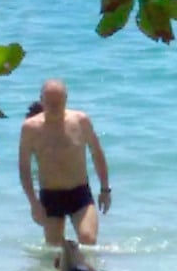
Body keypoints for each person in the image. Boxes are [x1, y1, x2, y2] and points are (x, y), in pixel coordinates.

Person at [18, 79, 111, 245]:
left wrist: (105, 189)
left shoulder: (81, 121)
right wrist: (33, 203)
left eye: (58, 103)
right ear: (42, 101)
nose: (54, 108)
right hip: (50, 196)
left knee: (88, 239)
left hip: (79, 193)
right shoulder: (30, 128)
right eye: (50, 103)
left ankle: (90, 267)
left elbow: (97, 153)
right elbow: (24, 167)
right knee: (54, 248)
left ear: (66, 100)